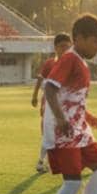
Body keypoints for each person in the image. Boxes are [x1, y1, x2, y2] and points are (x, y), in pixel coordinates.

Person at [40, 14, 97, 194]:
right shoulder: (70, 59)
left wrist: (88, 117)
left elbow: (72, 97)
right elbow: (49, 88)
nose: (96, 47)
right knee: (71, 183)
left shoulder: (80, 62)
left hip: (80, 129)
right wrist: (61, 120)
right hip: (65, 131)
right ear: (78, 38)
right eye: (94, 41)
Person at [31, 33, 72, 173]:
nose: (65, 49)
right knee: (49, 133)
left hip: (66, 105)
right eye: (62, 46)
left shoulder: (72, 64)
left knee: (67, 132)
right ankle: (41, 161)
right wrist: (35, 96)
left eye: (68, 46)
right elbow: (40, 80)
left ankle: (64, 162)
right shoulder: (50, 63)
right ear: (55, 48)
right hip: (49, 104)